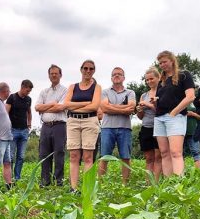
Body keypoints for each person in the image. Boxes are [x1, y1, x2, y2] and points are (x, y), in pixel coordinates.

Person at [153, 50, 195, 176]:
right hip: (159, 118)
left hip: (176, 117)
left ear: (172, 61)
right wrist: (155, 101)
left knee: (176, 152)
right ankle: (168, 183)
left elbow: (190, 96)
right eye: (160, 63)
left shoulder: (184, 75)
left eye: (164, 62)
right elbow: (161, 101)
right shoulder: (162, 81)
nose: (162, 65)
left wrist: (174, 112)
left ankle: (178, 185)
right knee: (164, 153)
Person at [63, 60, 102, 192]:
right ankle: (73, 188)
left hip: (90, 121)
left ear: (94, 71)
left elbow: (95, 106)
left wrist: (75, 107)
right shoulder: (72, 87)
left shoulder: (97, 87)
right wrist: (86, 103)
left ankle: (87, 188)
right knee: (74, 155)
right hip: (73, 122)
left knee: (88, 157)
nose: (88, 71)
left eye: (91, 69)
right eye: (85, 68)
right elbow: (66, 104)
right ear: (81, 70)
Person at [98, 67, 136, 184]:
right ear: (111, 77)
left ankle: (125, 184)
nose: (117, 76)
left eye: (119, 74)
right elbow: (104, 108)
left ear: (124, 78)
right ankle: (101, 184)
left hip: (125, 128)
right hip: (107, 128)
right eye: (114, 74)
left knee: (125, 157)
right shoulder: (105, 92)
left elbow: (131, 108)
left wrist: (111, 107)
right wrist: (123, 108)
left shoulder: (130, 92)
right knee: (104, 157)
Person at [35, 65, 67, 187]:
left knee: (59, 152)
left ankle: (59, 181)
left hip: (59, 126)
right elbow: (37, 107)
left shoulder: (65, 90)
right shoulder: (44, 92)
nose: (54, 75)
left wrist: (46, 107)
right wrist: (53, 104)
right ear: (49, 75)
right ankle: (45, 181)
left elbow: (61, 107)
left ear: (60, 75)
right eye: (51, 73)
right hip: (46, 126)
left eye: (56, 73)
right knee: (44, 153)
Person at [137, 67, 162, 181]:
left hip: (159, 126)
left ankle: (156, 183)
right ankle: (148, 184)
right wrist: (140, 110)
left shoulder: (162, 92)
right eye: (147, 80)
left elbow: (164, 112)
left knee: (158, 157)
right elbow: (140, 117)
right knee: (148, 158)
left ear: (158, 78)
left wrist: (150, 105)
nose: (149, 81)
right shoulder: (144, 95)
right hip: (146, 127)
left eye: (151, 79)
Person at [6, 80, 33, 181]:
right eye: (27, 90)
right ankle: (10, 178)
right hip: (13, 130)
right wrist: (6, 126)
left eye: (29, 91)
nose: (28, 92)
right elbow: (6, 113)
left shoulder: (28, 99)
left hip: (24, 131)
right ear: (22, 87)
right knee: (11, 156)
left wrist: (29, 123)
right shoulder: (12, 97)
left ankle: (17, 177)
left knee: (21, 156)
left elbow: (29, 112)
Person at [184, 103, 200, 169]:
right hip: (179, 131)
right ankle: (181, 174)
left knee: (196, 152)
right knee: (179, 154)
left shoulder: (195, 102)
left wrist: (193, 114)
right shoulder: (176, 98)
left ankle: (199, 173)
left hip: (193, 131)